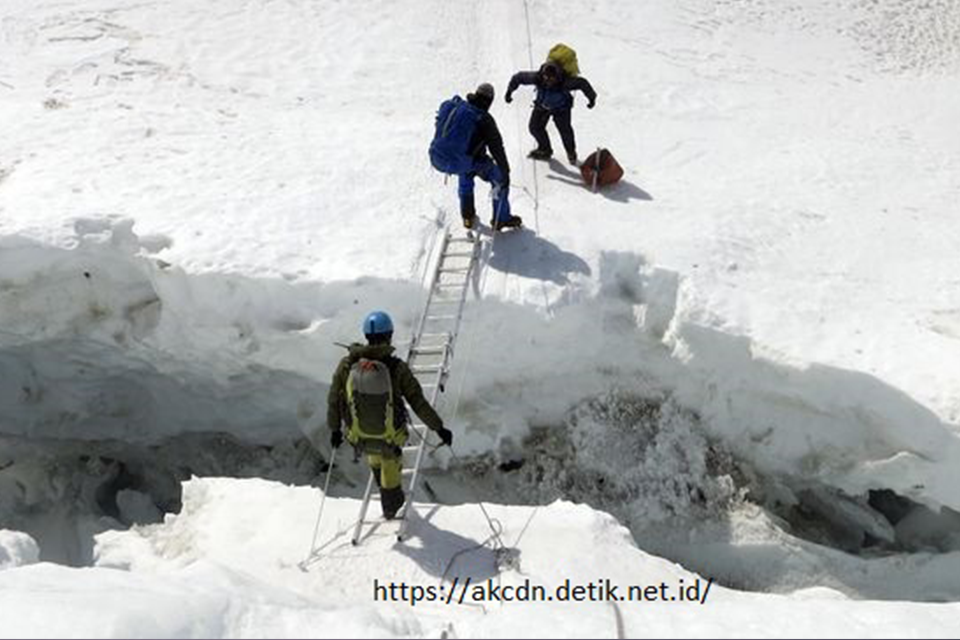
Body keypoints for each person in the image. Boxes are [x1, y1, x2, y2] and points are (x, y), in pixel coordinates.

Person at [327, 310, 453, 519]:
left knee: (373, 447)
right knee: (390, 455)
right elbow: (418, 402)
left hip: (357, 434)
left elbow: (334, 399)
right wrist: (439, 428)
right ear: (390, 335)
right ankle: (391, 501)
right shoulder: (396, 368)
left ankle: (382, 483)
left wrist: (334, 429)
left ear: (366, 335)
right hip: (391, 435)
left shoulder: (347, 365)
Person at [429, 83, 522, 231]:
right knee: (499, 180)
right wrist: (505, 171)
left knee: (465, 173)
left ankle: (467, 216)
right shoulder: (484, 119)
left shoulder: (454, 106)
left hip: (438, 158)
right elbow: (497, 148)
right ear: (490, 100)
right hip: (464, 161)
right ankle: (501, 219)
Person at [505, 61, 597, 165]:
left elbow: (582, 83)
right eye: (546, 77)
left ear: (557, 76)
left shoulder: (565, 82)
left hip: (561, 109)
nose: (548, 81)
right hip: (542, 106)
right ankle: (545, 149)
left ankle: (571, 152)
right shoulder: (538, 77)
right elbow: (519, 77)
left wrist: (591, 98)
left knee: (565, 131)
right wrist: (509, 91)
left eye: (551, 78)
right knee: (534, 127)